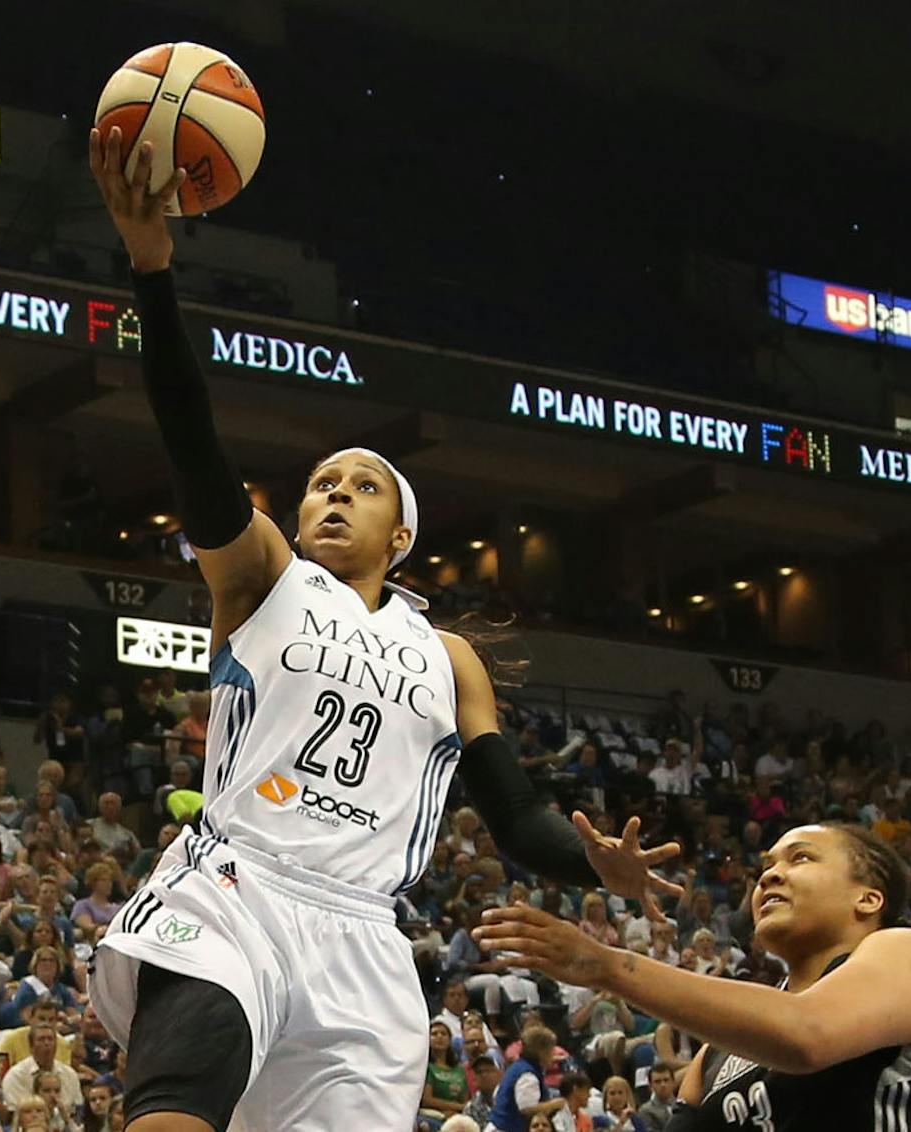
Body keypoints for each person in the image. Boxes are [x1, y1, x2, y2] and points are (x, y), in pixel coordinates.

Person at [83, 125, 681, 1132]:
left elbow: (519, 818)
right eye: (321, 482)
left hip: (364, 934)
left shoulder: (447, 657)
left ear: (399, 533)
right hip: (237, 887)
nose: (333, 496)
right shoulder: (265, 576)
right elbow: (194, 447)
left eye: (361, 487)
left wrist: (598, 865)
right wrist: (152, 271)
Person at [475, 823, 911, 1131]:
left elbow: (807, 1034)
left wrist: (607, 965)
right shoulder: (721, 1050)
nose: (770, 875)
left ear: (867, 898)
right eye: (767, 865)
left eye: (800, 858)